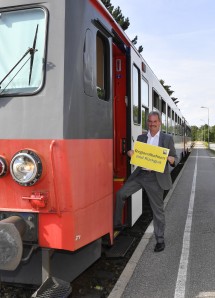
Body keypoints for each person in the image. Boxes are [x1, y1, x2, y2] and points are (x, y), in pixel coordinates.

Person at [114, 110, 178, 252]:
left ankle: (160, 240)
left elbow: (175, 158)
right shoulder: (141, 138)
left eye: (155, 122)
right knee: (120, 194)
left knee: (157, 211)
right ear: (147, 123)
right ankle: (117, 224)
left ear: (159, 123)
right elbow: (136, 154)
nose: (152, 124)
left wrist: (171, 160)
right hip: (141, 175)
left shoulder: (166, 139)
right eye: (150, 121)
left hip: (156, 178)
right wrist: (130, 153)